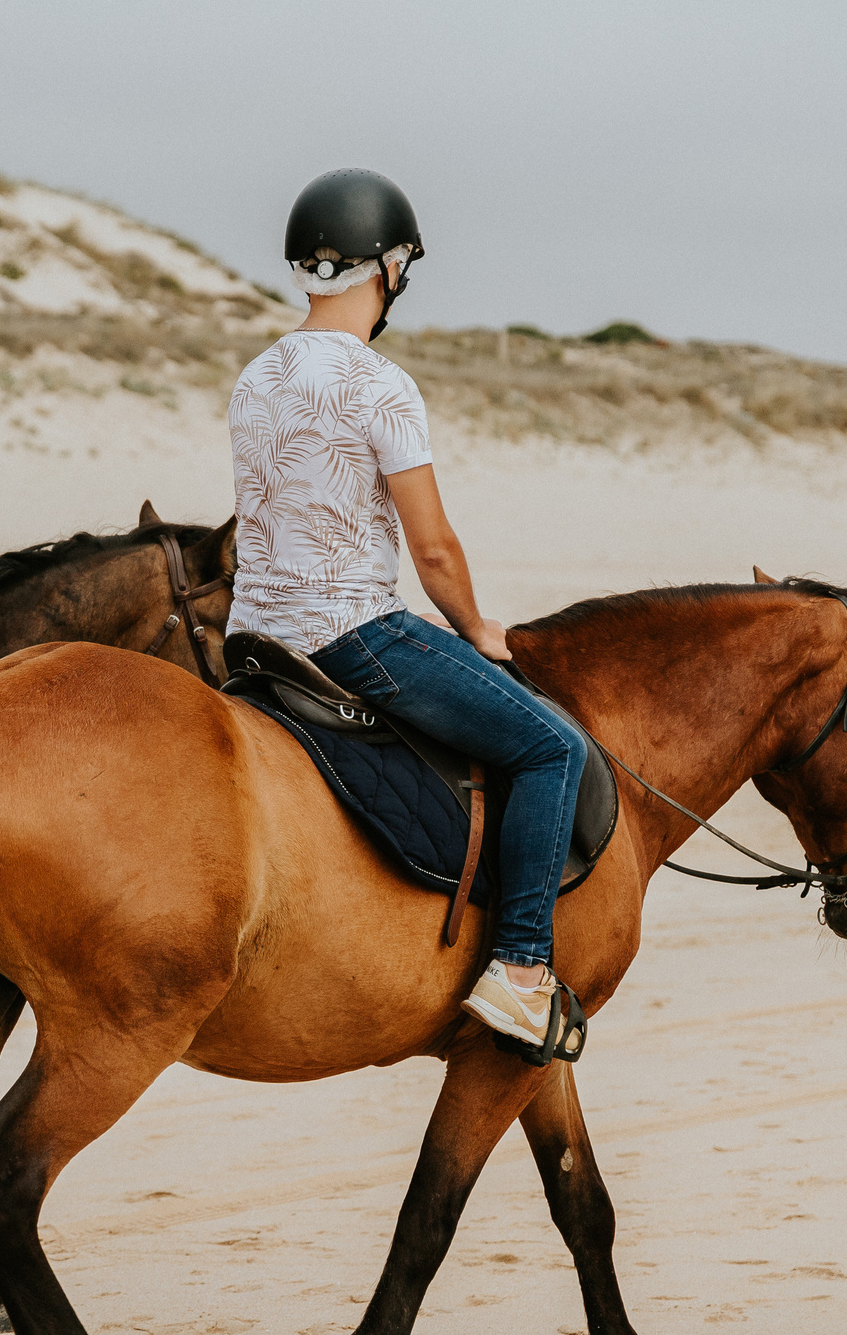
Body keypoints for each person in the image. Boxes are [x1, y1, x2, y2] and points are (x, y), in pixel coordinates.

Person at [226, 169, 584, 1053]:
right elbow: (434, 550)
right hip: (354, 635)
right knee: (553, 748)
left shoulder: (255, 376)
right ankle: (521, 970)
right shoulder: (380, 385)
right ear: (389, 267)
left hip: (252, 639)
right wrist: (476, 626)